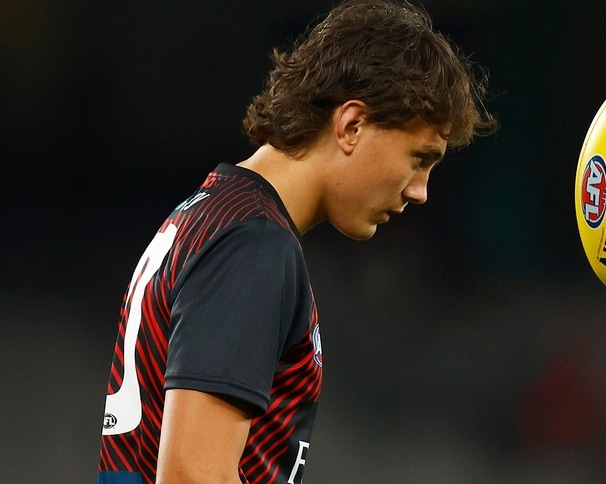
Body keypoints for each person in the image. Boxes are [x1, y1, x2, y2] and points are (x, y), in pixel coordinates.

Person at [96, 0, 496, 482]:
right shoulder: (254, 243)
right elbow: (190, 474)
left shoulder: (212, 213)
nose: (420, 191)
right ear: (351, 125)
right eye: (419, 158)